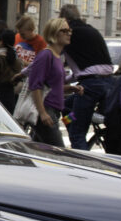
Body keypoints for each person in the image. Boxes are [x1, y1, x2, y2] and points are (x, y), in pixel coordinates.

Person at [60, 3, 114, 150]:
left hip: (90, 86)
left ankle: (84, 165)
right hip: (108, 82)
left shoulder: (69, 34)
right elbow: (86, 69)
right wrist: (65, 80)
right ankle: (78, 117)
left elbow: (52, 54)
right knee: (66, 105)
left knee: (77, 134)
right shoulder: (91, 30)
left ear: (64, 19)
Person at [29, 17, 83, 148]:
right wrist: (42, 113)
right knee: (59, 153)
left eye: (69, 30)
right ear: (53, 33)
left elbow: (52, 86)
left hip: (54, 111)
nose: (69, 33)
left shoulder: (58, 56)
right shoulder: (46, 55)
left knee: (39, 152)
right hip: (47, 111)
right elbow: (35, 85)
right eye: (64, 31)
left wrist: (70, 88)